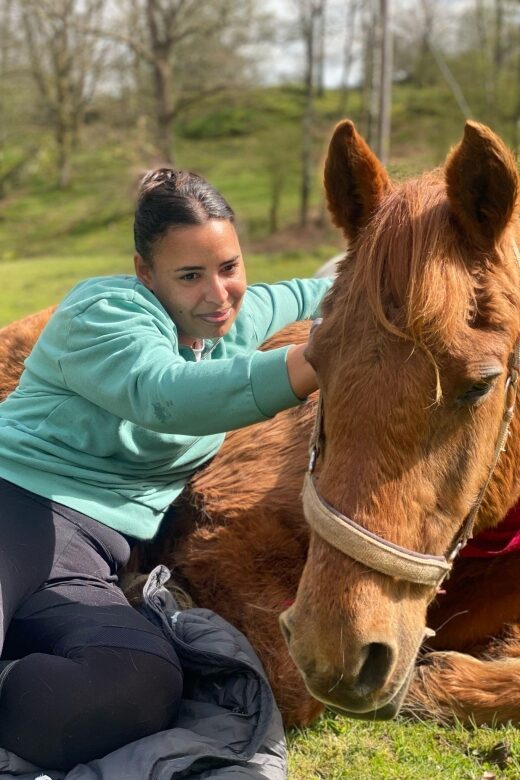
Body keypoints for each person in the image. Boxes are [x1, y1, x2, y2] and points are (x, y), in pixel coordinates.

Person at [0, 169, 331, 770]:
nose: (218, 293)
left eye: (228, 266)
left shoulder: (226, 322)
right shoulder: (103, 312)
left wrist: (359, 284)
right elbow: (166, 394)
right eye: (189, 276)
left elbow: (312, 291)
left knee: (139, 686)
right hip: (14, 506)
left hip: (92, 557)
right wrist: (323, 356)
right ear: (145, 272)